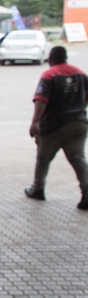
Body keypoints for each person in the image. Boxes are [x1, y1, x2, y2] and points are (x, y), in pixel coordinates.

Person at [23, 45, 88, 210]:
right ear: (65, 58)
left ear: (51, 59)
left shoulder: (49, 75)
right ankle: (87, 191)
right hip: (78, 123)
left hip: (54, 125)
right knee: (78, 158)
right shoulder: (80, 73)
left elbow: (40, 99)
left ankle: (38, 188)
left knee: (43, 158)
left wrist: (35, 122)